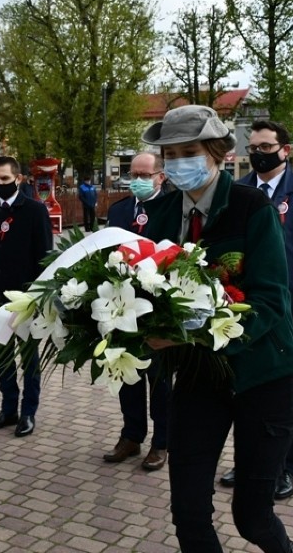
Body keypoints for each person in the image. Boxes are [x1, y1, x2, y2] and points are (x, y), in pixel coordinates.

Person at [141, 105, 293, 553]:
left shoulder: (252, 208)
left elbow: (271, 300)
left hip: (264, 375)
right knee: (189, 513)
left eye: (188, 151)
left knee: (252, 517)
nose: (177, 163)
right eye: (169, 154)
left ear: (215, 152)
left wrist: (191, 333)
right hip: (199, 378)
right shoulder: (160, 216)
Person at [224, 120, 293, 502]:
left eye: (267, 146)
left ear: (285, 150)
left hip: (292, 317)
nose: (258, 152)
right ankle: (248, 461)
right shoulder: (237, 191)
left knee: (292, 397)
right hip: (245, 313)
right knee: (247, 392)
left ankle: (287, 466)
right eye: (253, 146)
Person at [0, 156, 53, 437]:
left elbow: (44, 259)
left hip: (25, 300)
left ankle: (28, 412)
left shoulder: (34, 210)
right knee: (3, 358)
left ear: (18, 179)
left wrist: (39, 299)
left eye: (5, 179)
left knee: (29, 359)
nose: (0, 184)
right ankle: (8, 410)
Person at [102, 152, 169, 471]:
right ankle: (131, 436)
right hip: (121, 307)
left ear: (161, 176)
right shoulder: (119, 210)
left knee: (158, 380)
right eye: (134, 174)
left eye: (145, 175)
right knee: (127, 373)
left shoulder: (174, 208)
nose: (138, 180)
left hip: (158, 309)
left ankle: (162, 442)